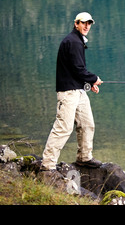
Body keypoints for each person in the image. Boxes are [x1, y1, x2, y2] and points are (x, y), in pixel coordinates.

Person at [41, 12, 103, 171]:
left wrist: (89, 82)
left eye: (89, 23)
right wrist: (94, 78)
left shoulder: (77, 41)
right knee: (63, 127)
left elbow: (76, 69)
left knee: (87, 124)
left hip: (78, 91)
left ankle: (84, 157)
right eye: (83, 23)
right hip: (68, 93)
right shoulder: (74, 42)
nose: (87, 26)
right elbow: (78, 69)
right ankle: (47, 165)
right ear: (76, 24)